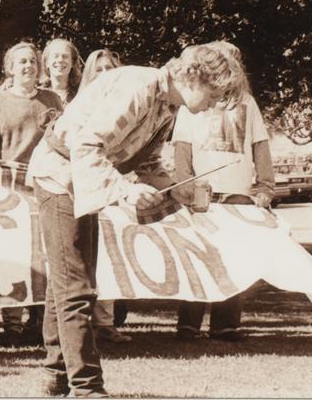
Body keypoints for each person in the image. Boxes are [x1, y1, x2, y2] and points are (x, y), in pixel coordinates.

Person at [26, 43, 247, 397]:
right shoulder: (139, 87)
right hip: (58, 176)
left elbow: (147, 164)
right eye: (214, 94)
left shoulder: (167, 107)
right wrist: (125, 191)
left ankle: (56, 374)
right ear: (194, 77)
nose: (213, 104)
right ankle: (87, 388)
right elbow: (86, 146)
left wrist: (177, 189)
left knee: (69, 281)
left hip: (78, 181)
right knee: (76, 286)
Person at [172, 41, 273, 343]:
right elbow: (182, 147)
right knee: (197, 257)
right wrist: (184, 185)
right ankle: (188, 324)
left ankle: (225, 324)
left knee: (233, 260)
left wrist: (265, 186)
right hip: (202, 195)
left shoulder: (247, 103)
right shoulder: (191, 101)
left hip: (238, 196)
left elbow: (260, 144)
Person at [0, 41, 61, 344]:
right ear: (10, 68)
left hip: (46, 187)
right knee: (11, 254)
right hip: (9, 190)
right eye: (21, 62)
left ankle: (36, 322)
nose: (28, 66)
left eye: (32, 61)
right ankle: (6, 323)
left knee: (42, 254)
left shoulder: (52, 100)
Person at [78, 49, 131, 344]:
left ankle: (106, 322)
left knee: (109, 256)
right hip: (86, 188)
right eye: (98, 69)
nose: (105, 73)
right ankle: (79, 323)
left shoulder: (126, 105)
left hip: (116, 189)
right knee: (81, 258)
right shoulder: (82, 104)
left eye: (110, 68)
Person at [41, 38, 83, 106]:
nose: (60, 60)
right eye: (55, 56)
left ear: (72, 63)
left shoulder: (82, 93)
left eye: (65, 56)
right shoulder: (39, 95)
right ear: (47, 62)